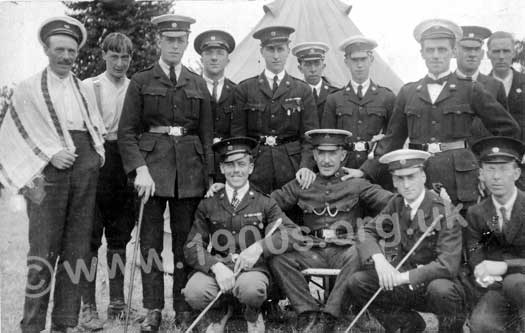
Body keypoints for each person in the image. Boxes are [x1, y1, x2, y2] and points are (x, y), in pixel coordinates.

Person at [0, 16, 106, 333]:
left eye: (71, 51)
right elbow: (15, 135)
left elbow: (94, 129)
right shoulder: (28, 89)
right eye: (59, 49)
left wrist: (95, 156)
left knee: (76, 251)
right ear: (46, 49)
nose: (66, 57)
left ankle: (64, 323)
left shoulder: (84, 90)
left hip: (83, 169)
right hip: (47, 174)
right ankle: (32, 325)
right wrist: (50, 153)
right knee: (43, 251)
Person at [356, 19, 520, 209]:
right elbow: (393, 139)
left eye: (442, 50)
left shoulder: (471, 89)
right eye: (430, 50)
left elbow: (509, 129)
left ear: (453, 52)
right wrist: (364, 172)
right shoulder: (408, 93)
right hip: (418, 177)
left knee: (462, 231)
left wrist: (485, 168)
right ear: (422, 53)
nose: (436, 56)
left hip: (462, 179)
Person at [117, 14, 213, 332]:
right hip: (151, 171)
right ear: (159, 41)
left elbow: (205, 134)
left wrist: (209, 178)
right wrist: (139, 169)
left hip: (189, 172)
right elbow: (127, 132)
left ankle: (184, 308)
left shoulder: (197, 83)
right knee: (150, 244)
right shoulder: (142, 81)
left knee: (186, 243)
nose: (174, 45)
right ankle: (153, 309)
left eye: (180, 40)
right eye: (169, 40)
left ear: (187, 43)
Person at [268, 129, 393, 332]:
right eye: (321, 153)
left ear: (343, 155)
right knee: (278, 257)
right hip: (311, 250)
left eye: (332, 153)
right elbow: (266, 205)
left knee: (359, 251)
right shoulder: (302, 183)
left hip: (344, 251)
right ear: (314, 155)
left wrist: (372, 229)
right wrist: (289, 228)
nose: (326, 160)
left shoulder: (357, 183)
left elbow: (391, 203)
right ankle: (306, 312)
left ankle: (330, 315)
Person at [183, 137, 299, 333]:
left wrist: (259, 246)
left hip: (253, 271)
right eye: (229, 165)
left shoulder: (265, 202)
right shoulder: (208, 203)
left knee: (251, 290)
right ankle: (221, 309)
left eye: (241, 164)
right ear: (221, 168)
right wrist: (216, 267)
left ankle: (252, 311)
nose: (236, 170)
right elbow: (192, 246)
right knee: (194, 292)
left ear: (251, 167)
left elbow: (292, 233)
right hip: (222, 268)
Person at [346, 149, 466, 332]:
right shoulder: (396, 204)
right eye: (400, 179)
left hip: (435, 286)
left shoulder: (444, 210)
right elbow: (365, 232)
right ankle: (407, 324)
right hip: (405, 287)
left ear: (423, 176)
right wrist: (380, 262)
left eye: (412, 177)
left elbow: (447, 265)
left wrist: (401, 277)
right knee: (359, 281)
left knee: (441, 290)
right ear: (394, 181)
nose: (407, 185)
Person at [77, 32, 136, 330]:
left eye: (125, 57)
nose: (120, 63)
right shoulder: (89, 87)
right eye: (114, 56)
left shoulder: (135, 87)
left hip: (124, 165)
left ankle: (116, 303)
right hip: (94, 162)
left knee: (119, 238)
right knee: (89, 238)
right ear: (103, 55)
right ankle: (87, 306)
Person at [231, 25, 319, 194]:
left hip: (292, 168)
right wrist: (242, 167)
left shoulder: (302, 90)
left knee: (291, 217)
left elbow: (310, 136)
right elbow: (238, 136)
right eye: (271, 49)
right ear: (262, 51)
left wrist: (306, 166)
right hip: (256, 167)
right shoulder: (245, 89)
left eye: (280, 49)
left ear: (288, 51)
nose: (276, 55)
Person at [465, 136, 525, 332]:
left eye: (503, 169)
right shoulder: (477, 213)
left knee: (515, 283)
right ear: (481, 174)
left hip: (522, 283)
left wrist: (504, 266)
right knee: (481, 325)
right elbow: (476, 249)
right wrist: (480, 271)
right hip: (498, 288)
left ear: (516, 173)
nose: (496, 177)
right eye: (490, 169)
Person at [322, 36, 395, 174]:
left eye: (363, 59)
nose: (359, 65)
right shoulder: (334, 99)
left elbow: (392, 138)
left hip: (377, 168)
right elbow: (328, 141)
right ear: (346, 62)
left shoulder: (387, 97)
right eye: (354, 60)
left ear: (371, 60)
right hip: (344, 166)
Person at [194, 29, 238, 183]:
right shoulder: (190, 88)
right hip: (195, 162)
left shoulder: (237, 92)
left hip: (226, 163)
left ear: (228, 60)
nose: (214, 58)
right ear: (201, 58)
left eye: (219, 53)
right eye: (209, 52)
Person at [456, 26, 508, 145]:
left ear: (482, 54)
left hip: (484, 157)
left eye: (476, 49)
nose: (472, 54)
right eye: (466, 49)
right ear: (455, 51)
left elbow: (504, 127)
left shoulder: (495, 86)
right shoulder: (444, 84)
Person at [487, 31, 525, 190]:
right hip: (491, 166)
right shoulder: (478, 87)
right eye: (496, 51)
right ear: (488, 54)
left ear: (514, 53)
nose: (501, 56)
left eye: (506, 51)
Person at [292, 41, 338, 123]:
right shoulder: (293, 93)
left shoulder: (336, 93)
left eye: (317, 64)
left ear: (323, 66)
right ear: (300, 68)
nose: (313, 69)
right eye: (308, 64)